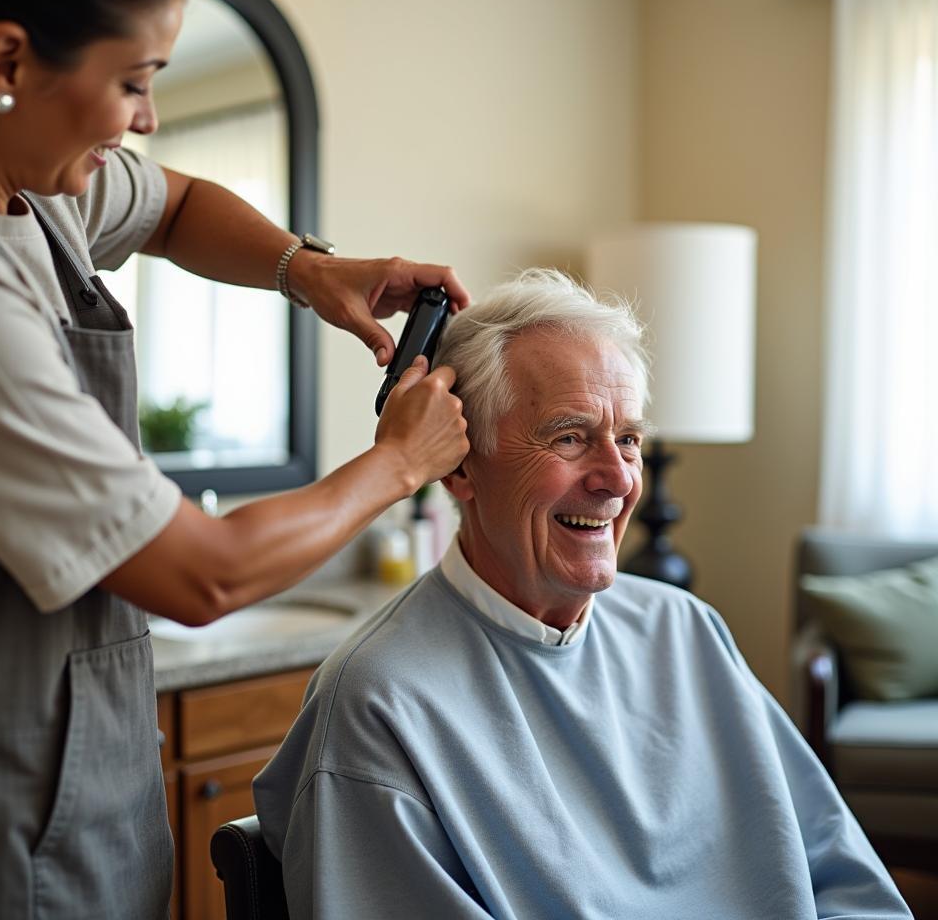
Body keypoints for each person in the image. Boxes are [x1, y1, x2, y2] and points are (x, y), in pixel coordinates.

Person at [0, 0, 469, 917]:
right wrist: (398, 463)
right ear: (4, 65)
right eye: (132, 82)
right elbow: (201, 575)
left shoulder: (37, 192)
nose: (146, 118)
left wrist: (316, 269)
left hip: (91, 779)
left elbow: (175, 205)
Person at [253, 269, 912, 920]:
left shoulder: (685, 628)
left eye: (627, 439)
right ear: (458, 466)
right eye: (569, 437)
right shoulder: (380, 699)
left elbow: (844, 879)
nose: (619, 480)